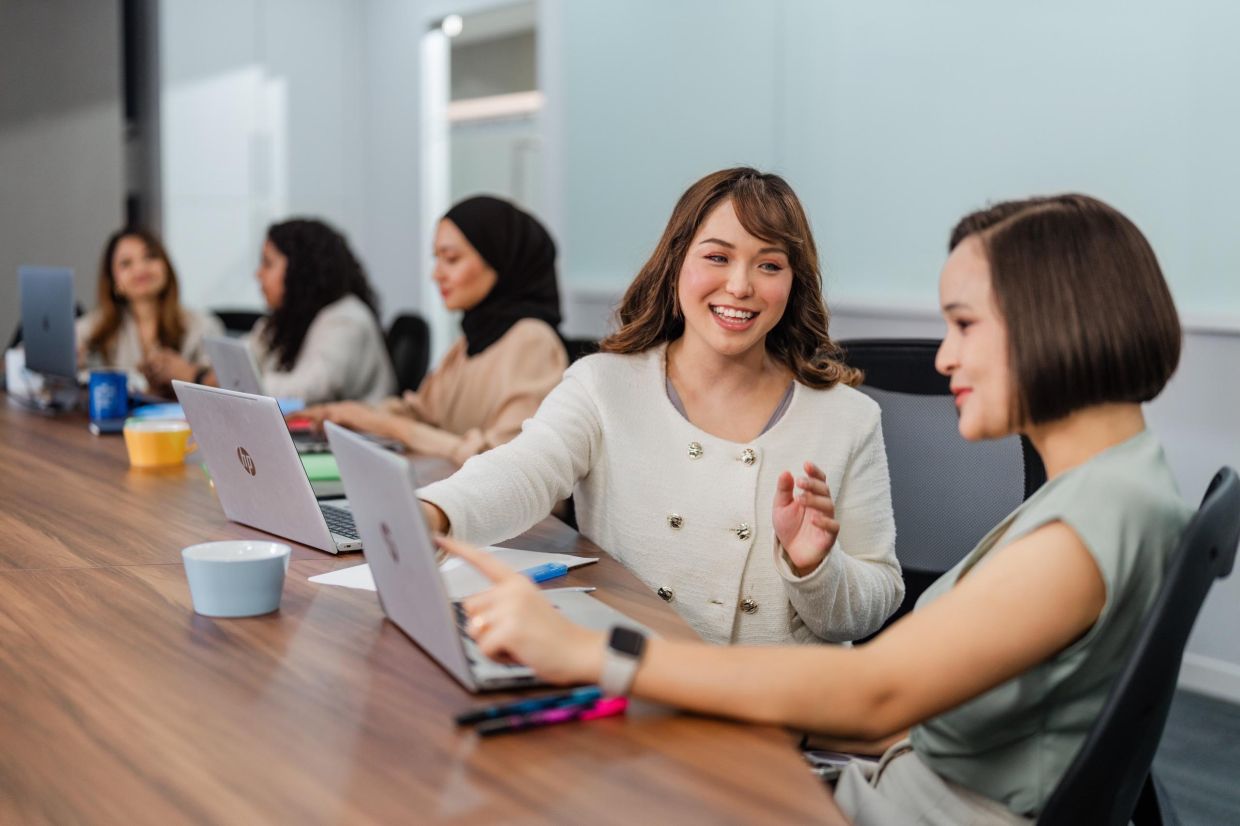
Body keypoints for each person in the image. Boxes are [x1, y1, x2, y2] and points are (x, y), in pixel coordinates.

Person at [442, 193, 1193, 824]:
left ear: (1053, 319)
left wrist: (591, 656)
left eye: (964, 325)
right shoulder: (1119, 485)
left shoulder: (1076, 534)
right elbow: (918, 704)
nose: (942, 359)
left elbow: (874, 695)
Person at [417, 168, 903, 646]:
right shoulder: (603, 385)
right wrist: (434, 513)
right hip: (640, 688)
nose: (739, 286)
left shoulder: (849, 419)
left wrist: (815, 567)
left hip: (781, 704)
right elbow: (524, 471)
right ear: (675, 264)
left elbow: (872, 603)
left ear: (793, 283)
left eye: (769, 265)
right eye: (717, 257)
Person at [297, 196, 568, 465]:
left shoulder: (532, 341)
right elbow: (420, 412)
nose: (436, 274)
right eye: (436, 258)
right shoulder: (470, 343)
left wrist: (390, 426)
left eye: (451, 259)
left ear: (500, 261)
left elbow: (509, 464)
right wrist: (350, 414)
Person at [145, 218, 395, 404]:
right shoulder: (286, 320)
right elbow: (245, 357)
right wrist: (182, 371)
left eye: (268, 263)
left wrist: (200, 377)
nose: (258, 274)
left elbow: (305, 391)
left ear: (300, 270)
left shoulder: (345, 319)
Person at [76, 228, 223, 394]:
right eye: (126, 263)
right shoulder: (98, 325)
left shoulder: (202, 326)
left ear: (166, 266)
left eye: (150, 257)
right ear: (113, 280)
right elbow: (69, 349)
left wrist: (187, 372)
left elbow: (224, 385)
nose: (140, 269)